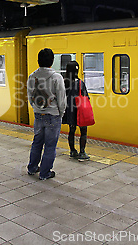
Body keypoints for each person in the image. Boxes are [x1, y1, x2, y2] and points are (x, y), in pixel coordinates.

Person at [26, 48, 66, 180]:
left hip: (38, 115)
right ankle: (44, 173)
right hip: (53, 116)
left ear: (38, 61)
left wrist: (37, 109)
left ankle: (32, 168)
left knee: (37, 142)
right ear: (52, 61)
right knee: (50, 145)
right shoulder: (56, 77)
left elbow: (30, 96)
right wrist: (61, 113)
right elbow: (62, 99)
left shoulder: (32, 76)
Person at [62, 61, 90, 161]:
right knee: (83, 131)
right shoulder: (80, 83)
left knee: (71, 130)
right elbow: (86, 96)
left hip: (69, 111)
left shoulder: (64, 82)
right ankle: (82, 152)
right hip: (79, 111)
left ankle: (72, 151)